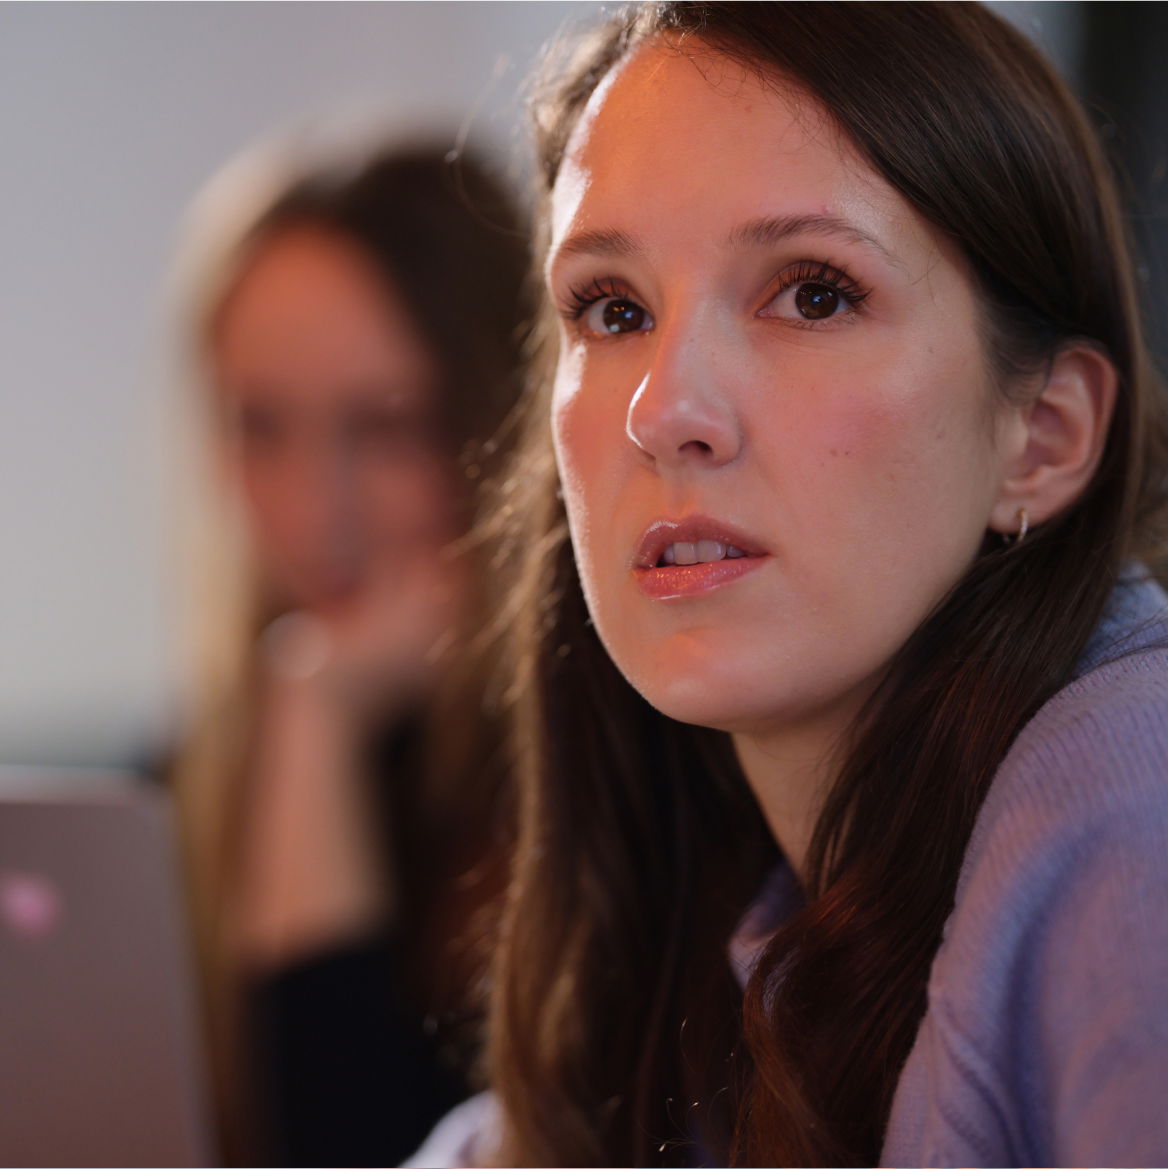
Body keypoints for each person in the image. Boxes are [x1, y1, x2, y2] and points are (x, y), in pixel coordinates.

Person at [409, 3, 1168, 1167]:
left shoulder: (1134, 791)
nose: (661, 410)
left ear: (1043, 436)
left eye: (812, 292)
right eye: (612, 309)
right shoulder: (741, 903)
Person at [168, 138, 529, 1165]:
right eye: (260, 424)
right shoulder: (193, 774)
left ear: (503, 418)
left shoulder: (607, 787)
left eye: (385, 426)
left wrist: (314, 713)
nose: (312, 512)